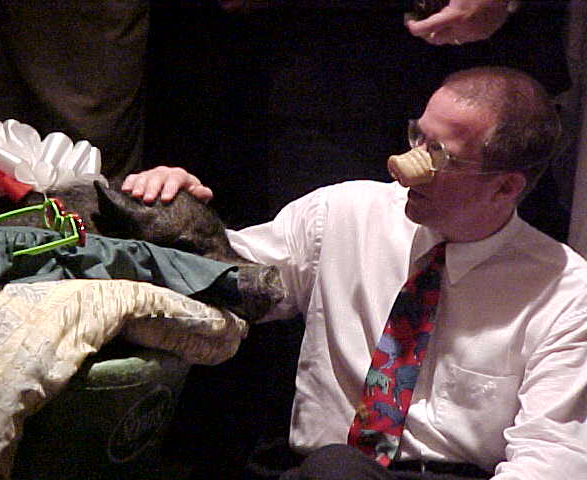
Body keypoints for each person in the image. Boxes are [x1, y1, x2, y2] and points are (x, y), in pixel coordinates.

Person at [121, 66, 587, 479]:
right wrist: (178, 213)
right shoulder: (344, 213)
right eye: (416, 137)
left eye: (438, 154)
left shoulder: (564, 291)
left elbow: (552, 454)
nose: (406, 166)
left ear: (506, 187)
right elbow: (228, 280)